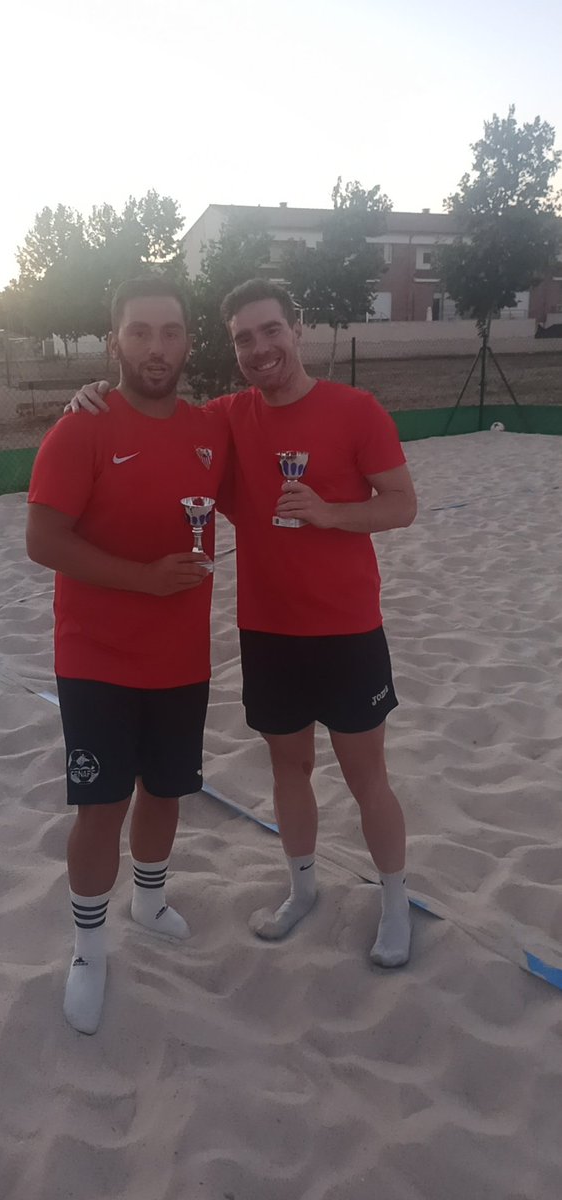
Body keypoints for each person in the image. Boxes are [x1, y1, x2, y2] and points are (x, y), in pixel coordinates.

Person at [67, 278, 417, 968]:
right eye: (244, 338)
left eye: (270, 330)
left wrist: (330, 513)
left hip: (347, 629)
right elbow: (153, 415)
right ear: (231, 348)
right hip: (268, 632)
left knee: (365, 776)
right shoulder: (227, 417)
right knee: (289, 771)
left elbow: (401, 503)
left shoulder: (356, 409)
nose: (260, 348)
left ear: (297, 328)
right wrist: (92, 395)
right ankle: (302, 888)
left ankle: (398, 901)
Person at [27, 277, 228, 1034]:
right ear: (114, 341)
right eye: (139, 332)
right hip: (97, 658)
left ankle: (148, 899)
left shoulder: (210, 426)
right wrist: (143, 581)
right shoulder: (81, 429)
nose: (155, 347)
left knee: (167, 790)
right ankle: (87, 947)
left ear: (187, 343)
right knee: (99, 805)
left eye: (170, 332)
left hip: (182, 657)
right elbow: (43, 539)